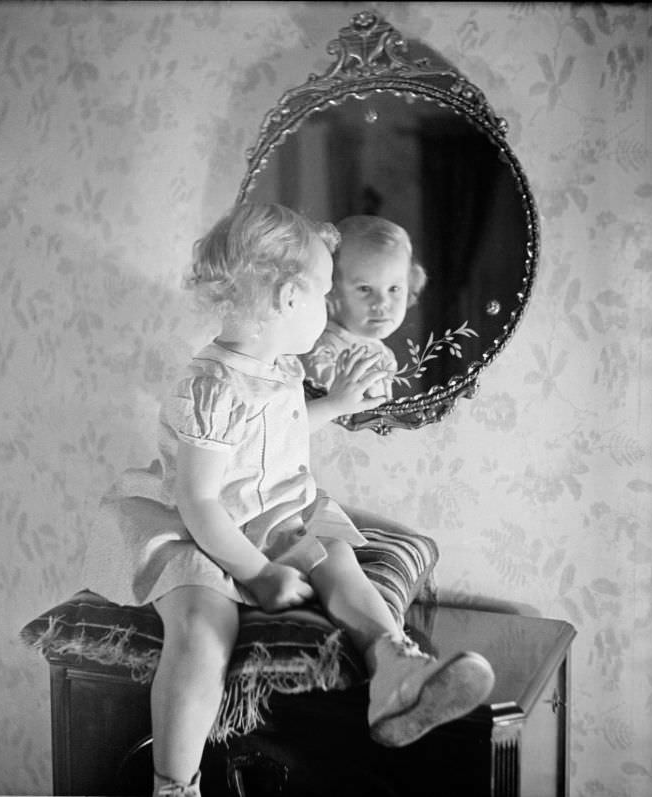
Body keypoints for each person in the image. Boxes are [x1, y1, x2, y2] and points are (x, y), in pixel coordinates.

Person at [113, 203, 493, 797]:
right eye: (322, 294)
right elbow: (199, 500)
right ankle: (174, 784)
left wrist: (338, 404)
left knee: (338, 560)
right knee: (202, 626)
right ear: (291, 299)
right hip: (208, 534)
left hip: (275, 514)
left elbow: (281, 431)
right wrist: (259, 573)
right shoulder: (210, 386)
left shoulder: (279, 369)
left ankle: (394, 668)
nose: (327, 308)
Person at [301, 215, 427, 401]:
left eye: (394, 288)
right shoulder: (321, 352)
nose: (382, 303)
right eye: (365, 289)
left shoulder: (381, 352)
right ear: (330, 288)